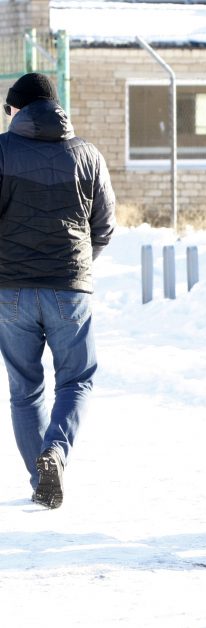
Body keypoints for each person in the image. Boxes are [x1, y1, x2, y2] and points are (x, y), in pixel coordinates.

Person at [0, 73, 116, 509]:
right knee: (76, 379)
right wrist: (78, 265)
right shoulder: (87, 155)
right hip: (70, 287)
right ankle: (57, 454)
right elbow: (104, 227)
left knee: (25, 388)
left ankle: (40, 479)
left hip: (11, 289)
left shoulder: (2, 150)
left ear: (17, 109)